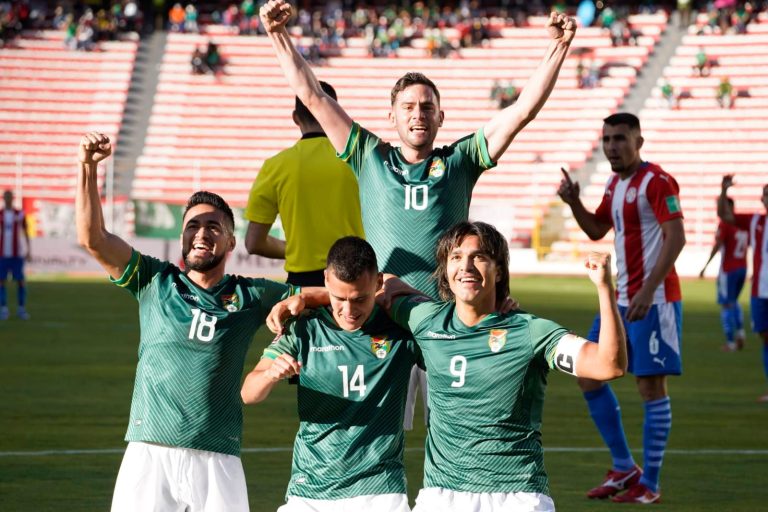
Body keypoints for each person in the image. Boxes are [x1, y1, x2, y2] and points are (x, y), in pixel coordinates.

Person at [260, 0, 575, 429]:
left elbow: (521, 112)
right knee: (373, 434)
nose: (418, 114)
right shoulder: (368, 156)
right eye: (408, 107)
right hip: (383, 322)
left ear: (441, 116)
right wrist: (278, 34)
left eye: (427, 107)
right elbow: (313, 96)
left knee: (461, 430)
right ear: (391, 117)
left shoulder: (462, 160)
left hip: (448, 322)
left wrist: (557, 48)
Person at [75, 132, 324, 511]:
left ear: (230, 243)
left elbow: (336, 294)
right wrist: (88, 168)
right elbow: (93, 238)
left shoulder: (252, 295)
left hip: (217, 456)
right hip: (149, 452)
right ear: (181, 236)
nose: (202, 233)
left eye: (214, 227)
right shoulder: (154, 280)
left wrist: (302, 297)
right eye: (193, 225)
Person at [385, 221, 627, 512]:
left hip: (517, 496)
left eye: (480, 257)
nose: (467, 267)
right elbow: (373, 288)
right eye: (457, 257)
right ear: (445, 269)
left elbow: (608, 365)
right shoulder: (425, 319)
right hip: (442, 495)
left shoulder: (529, 332)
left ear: (499, 271)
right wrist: (315, 296)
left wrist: (603, 287)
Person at [558, 112, 686, 504]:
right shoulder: (615, 184)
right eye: (607, 139)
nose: (612, 146)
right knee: (589, 375)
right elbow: (597, 229)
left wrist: (649, 289)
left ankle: (651, 484)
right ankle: (624, 466)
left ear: (638, 141)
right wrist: (574, 200)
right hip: (619, 300)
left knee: (650, 388)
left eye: (620, 139)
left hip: (655, 300)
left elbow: (676, 237)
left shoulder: (657, 181)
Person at [242, 236, 419, 512]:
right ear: (325, 279)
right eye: (339, 298)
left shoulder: (399, 329)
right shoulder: (305, 328)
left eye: (359, 299)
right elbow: (248, 393)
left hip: (380, 491)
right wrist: (270, 375)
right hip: (310, 489)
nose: (348, 311)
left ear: (378, 282)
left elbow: (448, 330)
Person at [243, 81, 365, 288]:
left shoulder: (275, 167)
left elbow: (254, 243)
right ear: (334, 112)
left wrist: (299, 249)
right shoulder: (360, 160)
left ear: (295, 118)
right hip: (356, 277)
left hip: (303, 283)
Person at [717, 175, 768, 402]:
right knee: (765, 338)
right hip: (760, 290)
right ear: (762, 199)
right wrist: (724, 191)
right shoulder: (755, 221)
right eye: (766, 195)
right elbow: (724, 215)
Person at [699, 198, 748, 352]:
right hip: (743, 267)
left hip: (728, 270)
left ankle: (730, 342)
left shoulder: (726, 224)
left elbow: (718, 245)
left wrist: (705, 266)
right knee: (734, 301)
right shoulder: (742, 225)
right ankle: (740, 333)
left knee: (726, 304)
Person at [0, 189, 31, 320]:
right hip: (2, 254)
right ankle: (4, 308)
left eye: (9, 197)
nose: (8, 199)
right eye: (6, 197)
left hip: (16, 254)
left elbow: (26, 232)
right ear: (3, 198)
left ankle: (21, 308)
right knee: (1, 282)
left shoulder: (19, 214)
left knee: (21, 282)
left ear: (12, 198)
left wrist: (29, 249)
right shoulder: (0, 214)